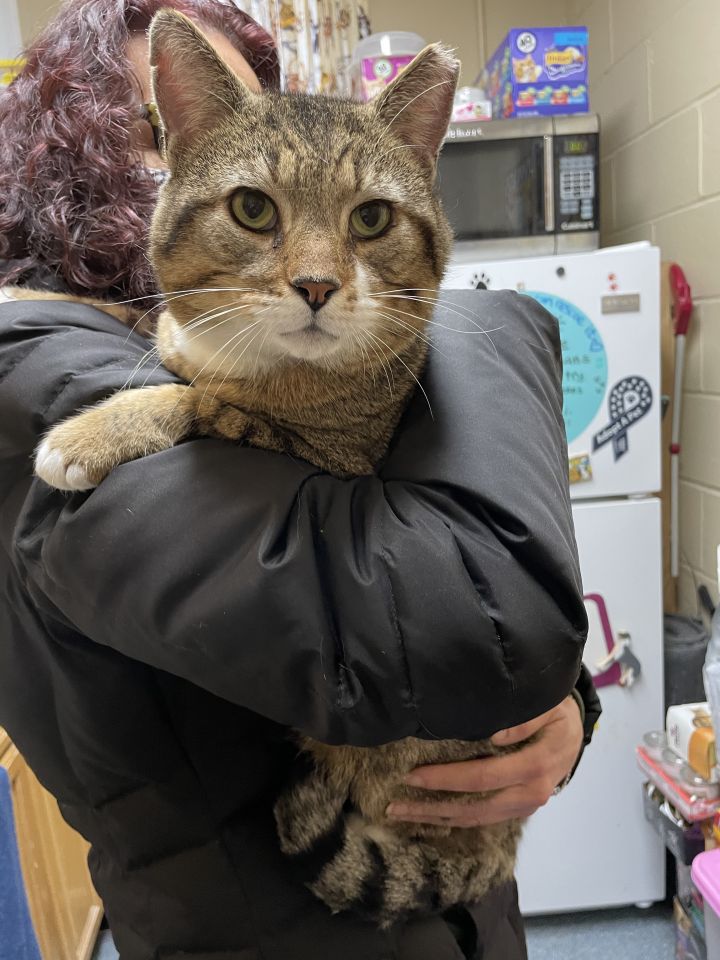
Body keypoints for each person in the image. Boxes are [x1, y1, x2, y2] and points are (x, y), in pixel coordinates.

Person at [0, 2, 601, 958]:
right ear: (62, 149)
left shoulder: (247, 340)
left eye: (365, 215)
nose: (317, 272)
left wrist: (566, 707)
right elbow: (446, 618)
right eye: (249, 197)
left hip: (452, 909)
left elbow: (494, 597)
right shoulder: (34, 367)